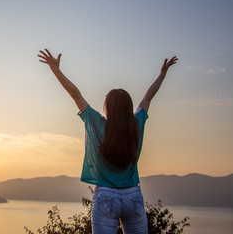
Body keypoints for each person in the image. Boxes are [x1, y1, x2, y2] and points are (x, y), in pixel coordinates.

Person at [38, 49, 178, 234]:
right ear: (128, 107)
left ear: (108, 107)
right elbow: (148, 96)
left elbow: (75, 95)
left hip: (105, 196)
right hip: (133, 196)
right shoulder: (137, 124)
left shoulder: (96, 123)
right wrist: (162, 75)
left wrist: (55, 70)